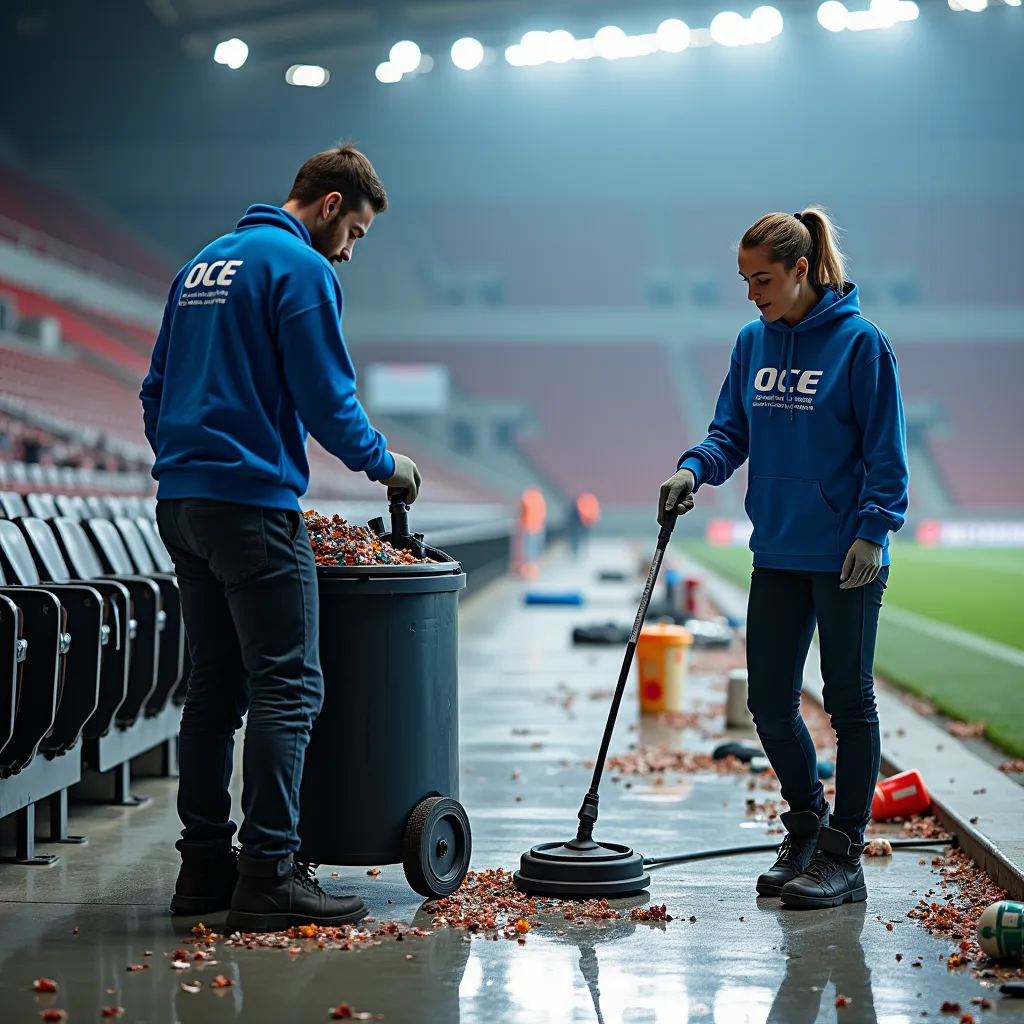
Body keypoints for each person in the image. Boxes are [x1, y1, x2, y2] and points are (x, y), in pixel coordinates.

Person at [141, 144, 422, 932]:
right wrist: (385, 465)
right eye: (356, 232)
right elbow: (329, 402)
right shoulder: (300, 269)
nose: (351, 251)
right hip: (253, 507)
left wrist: (183, 460)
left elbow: (154, 388)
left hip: (183, 502)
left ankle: (204, 869)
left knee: (213, 689)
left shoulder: (202, 264)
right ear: (330, 205)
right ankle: (268, 872)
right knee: (288, 686)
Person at [659, 208, 908, 910]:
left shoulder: (863, 347)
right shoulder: (752, 342)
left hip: (845, 556)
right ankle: (805, 827)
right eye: (743, 279)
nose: (751, 294)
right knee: (769, 702)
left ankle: (844, 855)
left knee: (848, 703)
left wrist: (872, 531)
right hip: (776, 550)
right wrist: (693, 470)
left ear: (802, 270)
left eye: (762, 279)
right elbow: (728, 433)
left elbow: (887, 459)